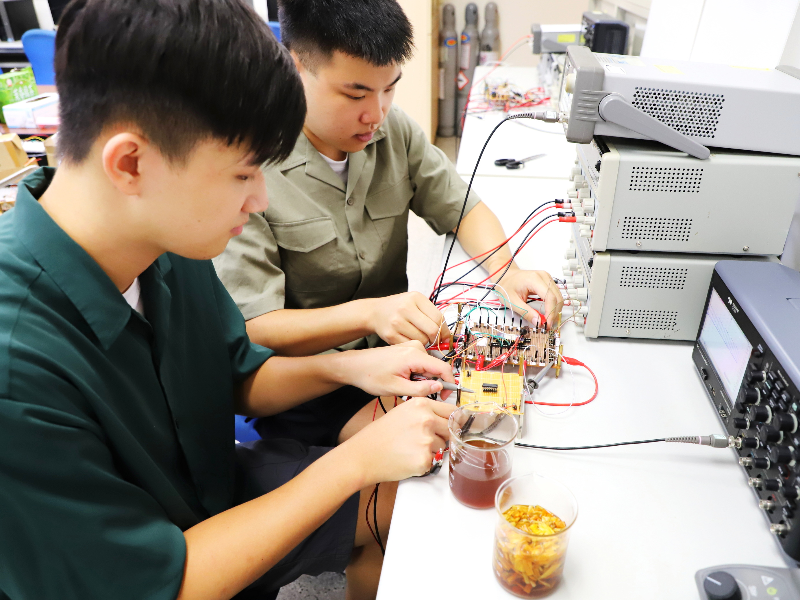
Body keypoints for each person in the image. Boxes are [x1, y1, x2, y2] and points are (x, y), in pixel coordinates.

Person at [0, 1, 456, 599]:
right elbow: (162, 581)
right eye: (243, 175)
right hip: (160, 564)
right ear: (131, 163)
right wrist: (352, 464)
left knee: (421, 503)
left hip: (213, 483)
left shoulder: (165, 237)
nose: (261, 200)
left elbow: (238, 376)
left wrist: (357, 366)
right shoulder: (18, 368)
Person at [214, 0, 564, 446]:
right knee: (451, 446)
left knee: (498, 411)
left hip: (396, 356)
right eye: (356, 94)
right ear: (296, 65)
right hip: (311, 384)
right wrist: (371, 314)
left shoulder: (391, 130)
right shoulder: (250, 168)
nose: (376, 114)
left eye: (390, 89)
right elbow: (256, 327)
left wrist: (507, 272)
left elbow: (462, 206)